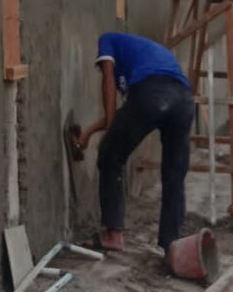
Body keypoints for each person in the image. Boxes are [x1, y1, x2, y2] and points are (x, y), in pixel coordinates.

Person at [75, 32, 194, 252]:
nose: (102, 69)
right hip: (184, 100)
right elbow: (119, 117)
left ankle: (113, 234)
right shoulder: (144, 57)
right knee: (174, 173)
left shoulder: (107, 39)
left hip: (152, 93)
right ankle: (172, 245)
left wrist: (105, 138)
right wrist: (89, 133)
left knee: (110, 155)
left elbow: (109, 83)